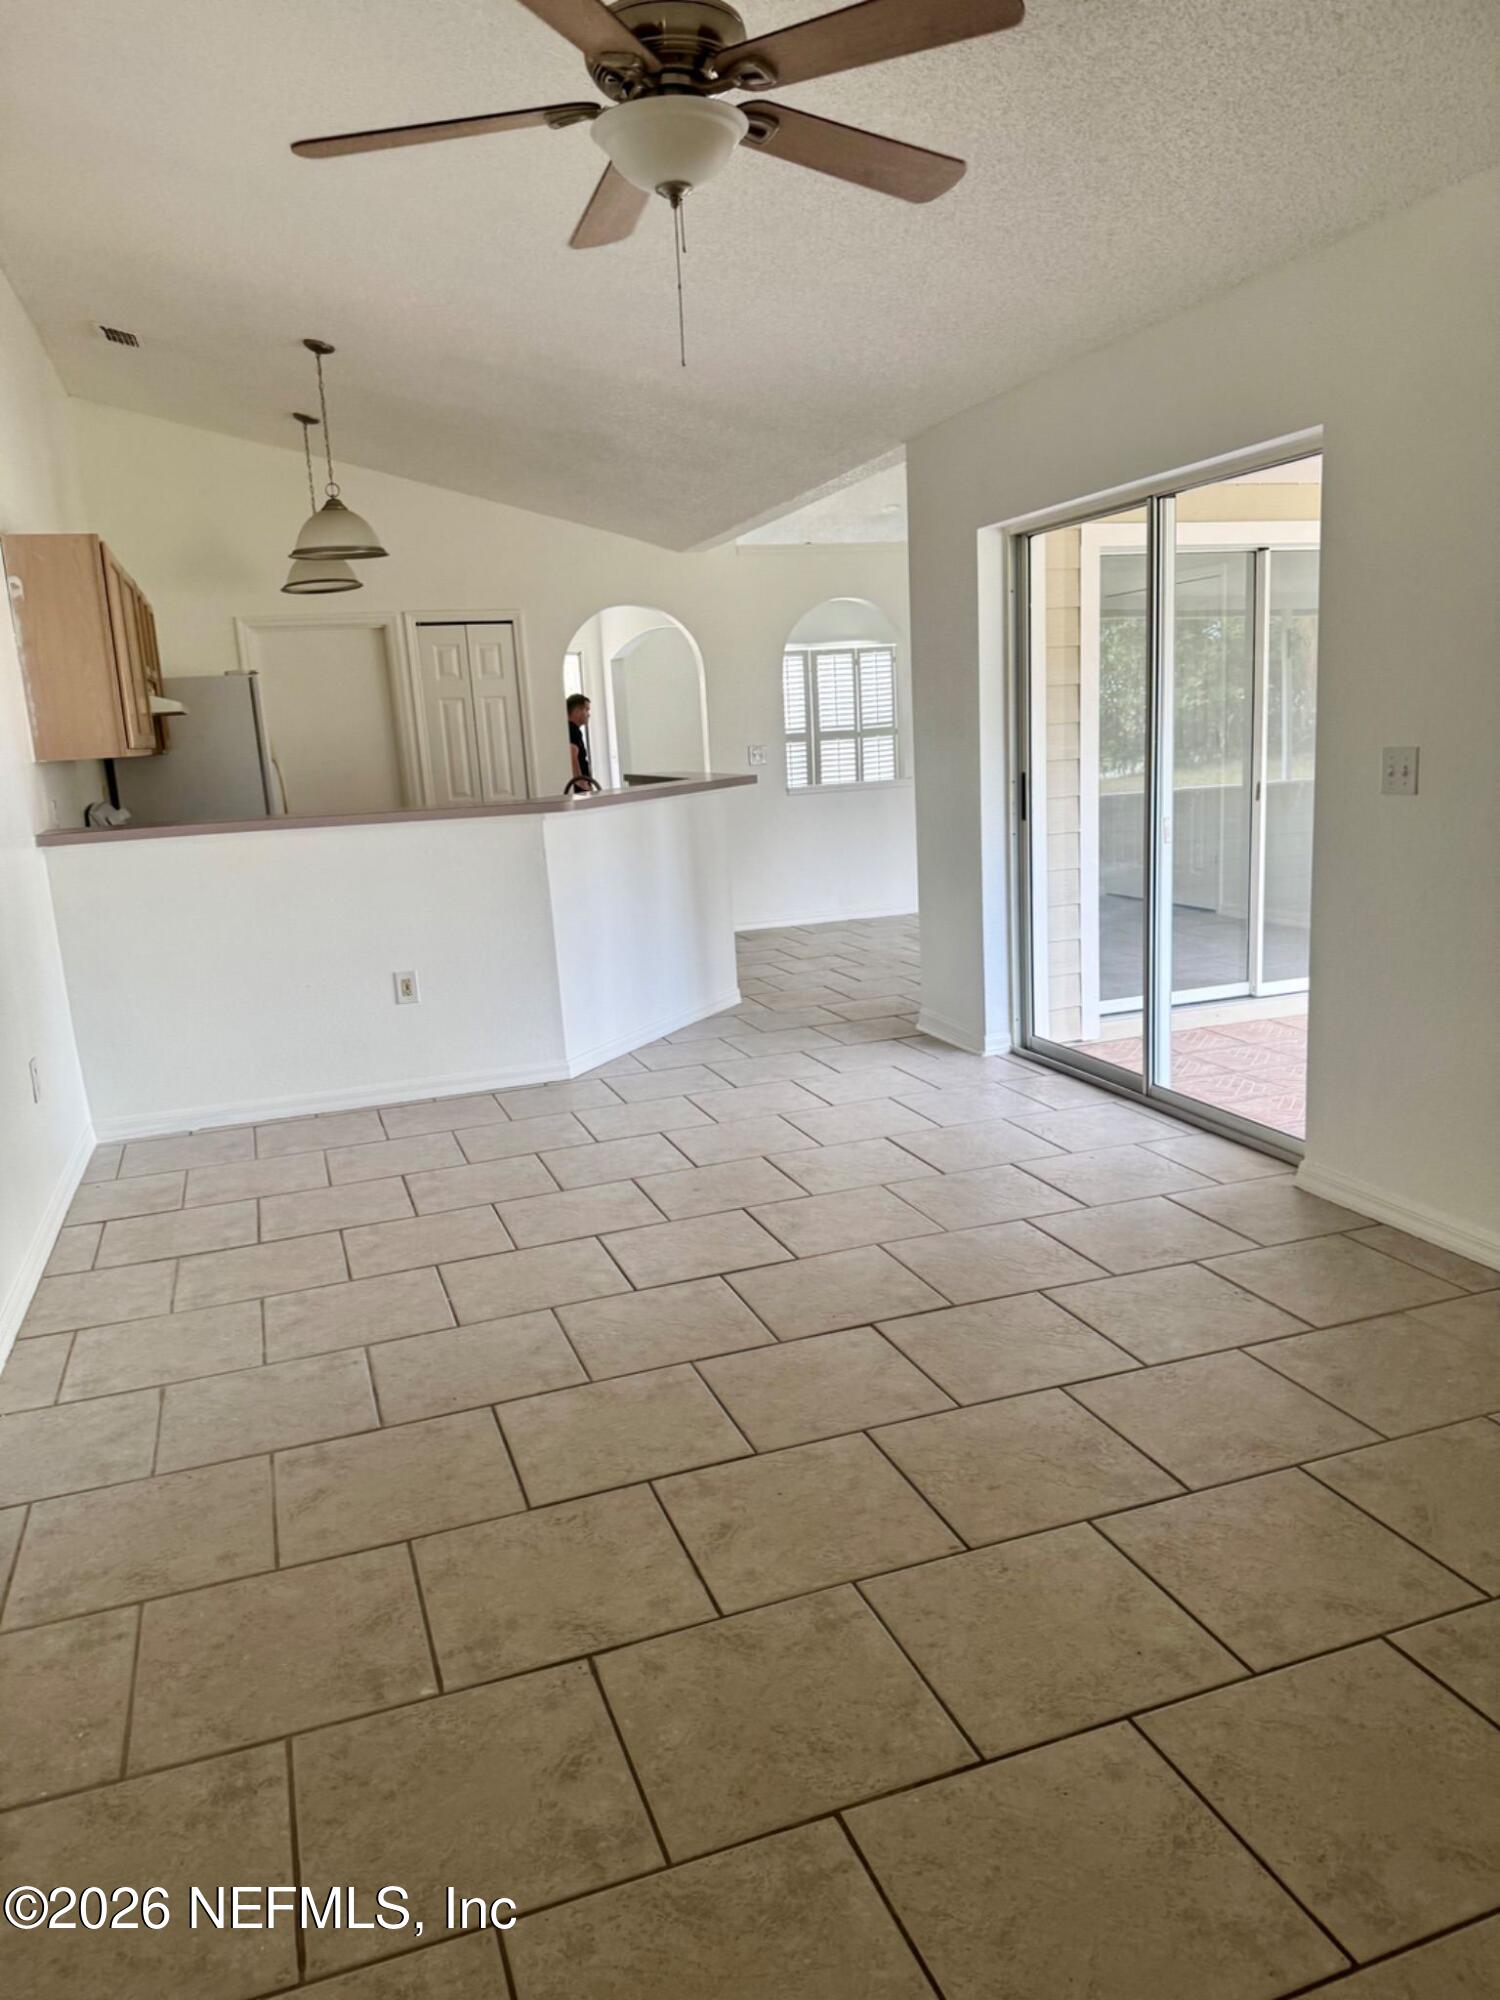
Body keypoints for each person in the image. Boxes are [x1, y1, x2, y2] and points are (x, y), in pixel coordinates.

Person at [566, 693, 601, 795]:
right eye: (586, 710)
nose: (588, 714)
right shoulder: (572, 730)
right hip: (579, 790)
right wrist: (582, 784)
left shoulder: (571, 729)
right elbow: (572, 756)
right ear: (577, 711)